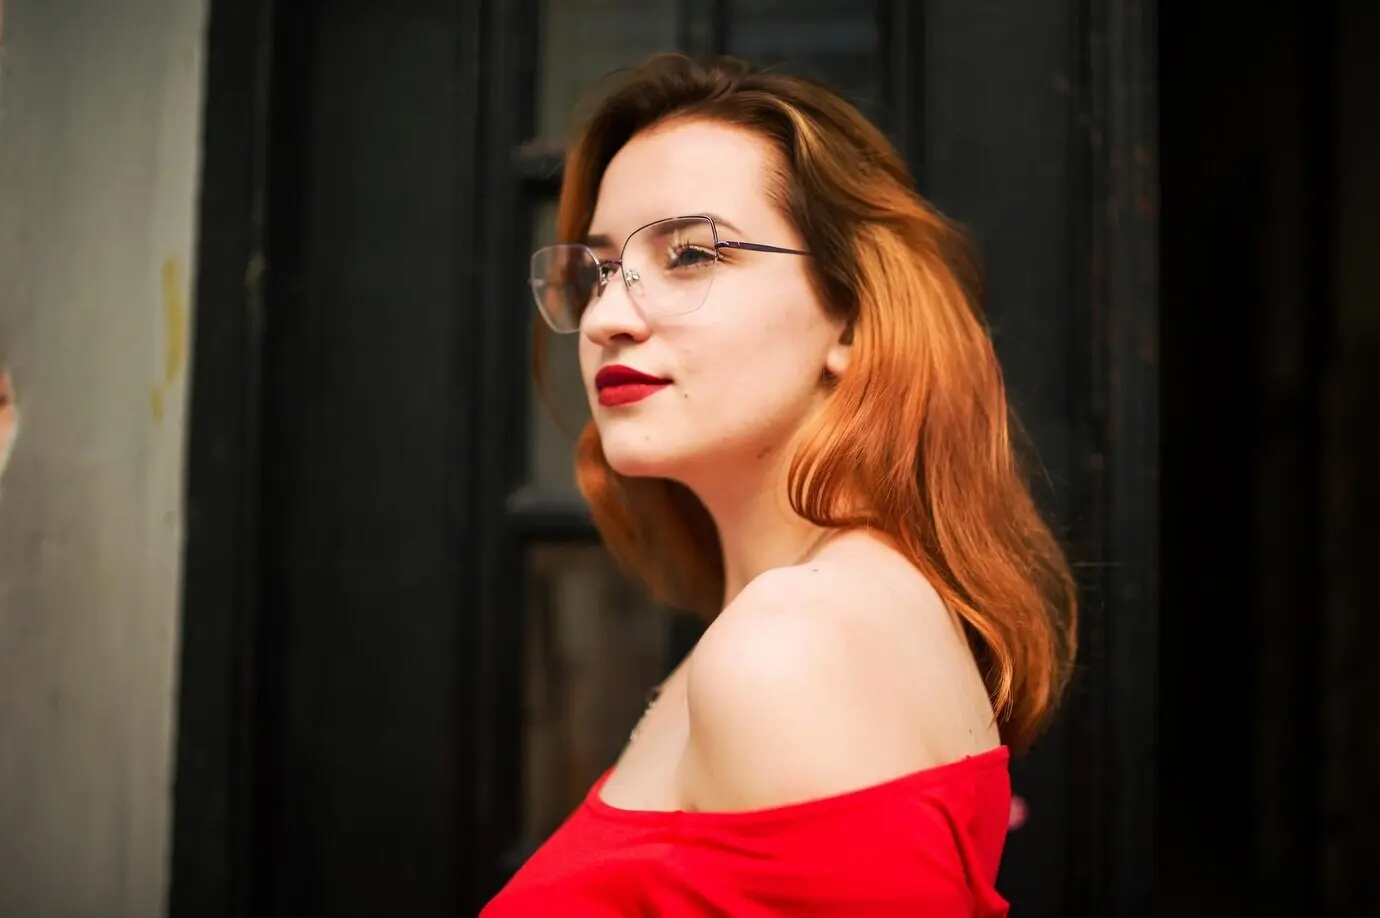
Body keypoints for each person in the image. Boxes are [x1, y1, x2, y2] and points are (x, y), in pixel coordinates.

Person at [483, 53, 1077, 917]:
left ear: (852, 317)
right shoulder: (814, 615)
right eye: (602, 270)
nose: (608, 316)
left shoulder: (791, 650)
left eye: (689, 254)